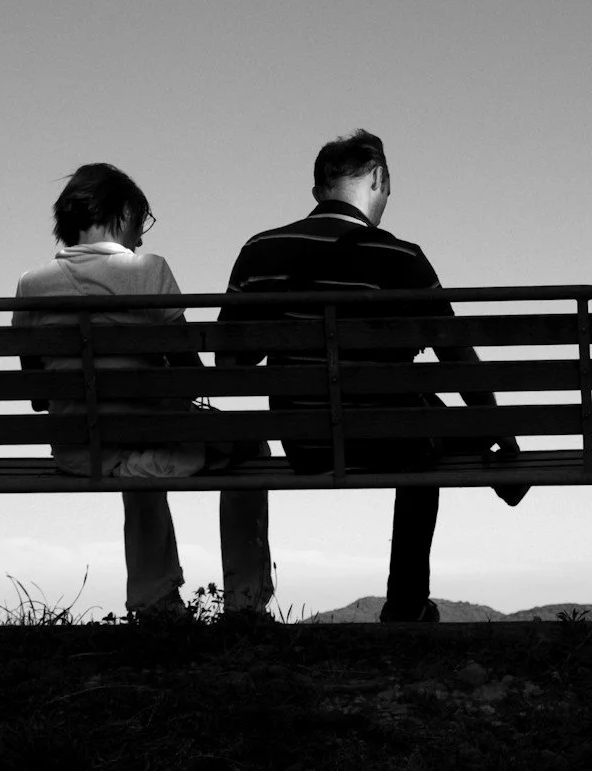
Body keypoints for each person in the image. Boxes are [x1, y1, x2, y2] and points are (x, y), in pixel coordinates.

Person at [218, 130, 519, 623]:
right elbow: (457, 356)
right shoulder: (402, 257)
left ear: (319, 189)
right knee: (421, 431)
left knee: (418, 417)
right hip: (393, 439)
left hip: (305, 442)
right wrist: (501, 431)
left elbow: (231, 366)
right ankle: (405, 603)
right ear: (378, 177)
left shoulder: (260, 251)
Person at [14, 163, 271, 617]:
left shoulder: (31, 285)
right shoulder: (148, 270)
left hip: (77, 452)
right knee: (249, 448)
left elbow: (38, 394)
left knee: (134, 440)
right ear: (123, 212)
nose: (143, 236)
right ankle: (245, 601)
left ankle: (156, 603)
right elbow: (189, 374)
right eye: (141, 222)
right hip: (153, 441)